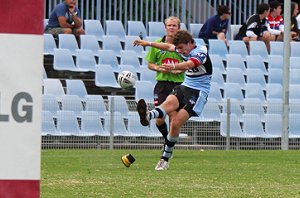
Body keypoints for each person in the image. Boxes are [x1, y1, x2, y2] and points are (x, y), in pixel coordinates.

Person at [133, 30, 212, 170]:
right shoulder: (183, 48)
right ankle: (147, 115)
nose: (180, 51)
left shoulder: (201, 51)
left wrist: (174, 66)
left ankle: (164, 160)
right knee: (168, 104)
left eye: (182, 48)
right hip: (185, 86)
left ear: (189, 43)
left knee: (175, 122)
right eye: (179, 48)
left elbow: (190, 65)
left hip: (198, 92)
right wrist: (148, 43)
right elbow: (169, 47)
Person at [145, 16, 184, 141]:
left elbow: (191, 63)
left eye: (174, 25)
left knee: (174, 117)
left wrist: (180, 69)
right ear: (165, 27)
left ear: (179, 28)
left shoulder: (183, 46)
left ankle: (169, 146)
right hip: (162, 85)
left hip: (177, 85)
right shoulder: (157, 44)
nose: (172, 28)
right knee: (160, 118)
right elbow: (150, 64)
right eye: (169, 25)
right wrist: (158, 68)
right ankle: (166, 139)